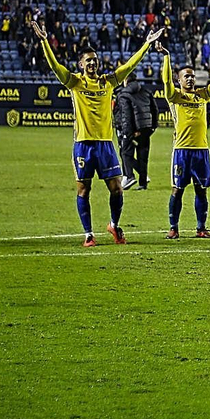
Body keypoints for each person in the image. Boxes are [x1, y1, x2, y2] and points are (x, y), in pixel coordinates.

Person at [32, 15, 164, 246]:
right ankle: (88, 234)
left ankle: (113, 225)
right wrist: (44, 42)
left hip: (105, 145)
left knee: (116, 189)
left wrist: (146, 44)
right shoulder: (74, 82)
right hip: (83, 144)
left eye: (94, 60)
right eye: (88, 61)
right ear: (81, 64)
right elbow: (55, 66)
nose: (92, 64)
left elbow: (130, 65)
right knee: (84, 190)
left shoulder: (108, 82)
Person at [159, 38, 210, 238]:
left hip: (201, 150)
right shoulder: (175, 97)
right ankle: (174, 228)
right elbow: (165, 81)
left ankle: (201, 228)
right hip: (181, 150)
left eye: (192, 76)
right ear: (179, 80)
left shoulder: (202, 95)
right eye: (186, 76)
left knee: (201, 190)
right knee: (177, 190)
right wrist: (166, 57)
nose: (190, 79)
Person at [115, 71, 162, 191]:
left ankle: (129, 176)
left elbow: (127, 115)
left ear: (126, 81)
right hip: (146, 129)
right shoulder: (146, 91)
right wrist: (152, 127)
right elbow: (155, 110)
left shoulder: (124, 94)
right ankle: (143, 183)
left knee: (125, 153)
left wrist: (127, 133)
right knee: (143, 157)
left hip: (133, 129)